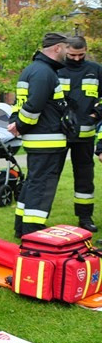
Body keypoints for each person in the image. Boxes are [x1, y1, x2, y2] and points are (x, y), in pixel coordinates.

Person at [8, 33, 70, 237]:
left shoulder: (32, 70)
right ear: (58, 48)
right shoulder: (44, 73)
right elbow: (33, 107)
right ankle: (33, 231)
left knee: (33, 182)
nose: (68, 54)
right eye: (66, 49)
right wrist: (20, 125)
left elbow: (21, 105)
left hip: (38, 139)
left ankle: (21, 227)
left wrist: (17, 124)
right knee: (41, 185)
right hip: (47, 140)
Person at [57, 36, 101, 232]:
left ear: (86, 50)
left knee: (84, 178)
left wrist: (95, 114)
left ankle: (85, 218)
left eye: (80, 55)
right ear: (65, 50)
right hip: (59, 134)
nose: (76, 59)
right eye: (72, 55)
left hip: (85, 134)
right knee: (49, 176)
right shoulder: (56, 69)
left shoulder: (96, 69)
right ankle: (37, 219)